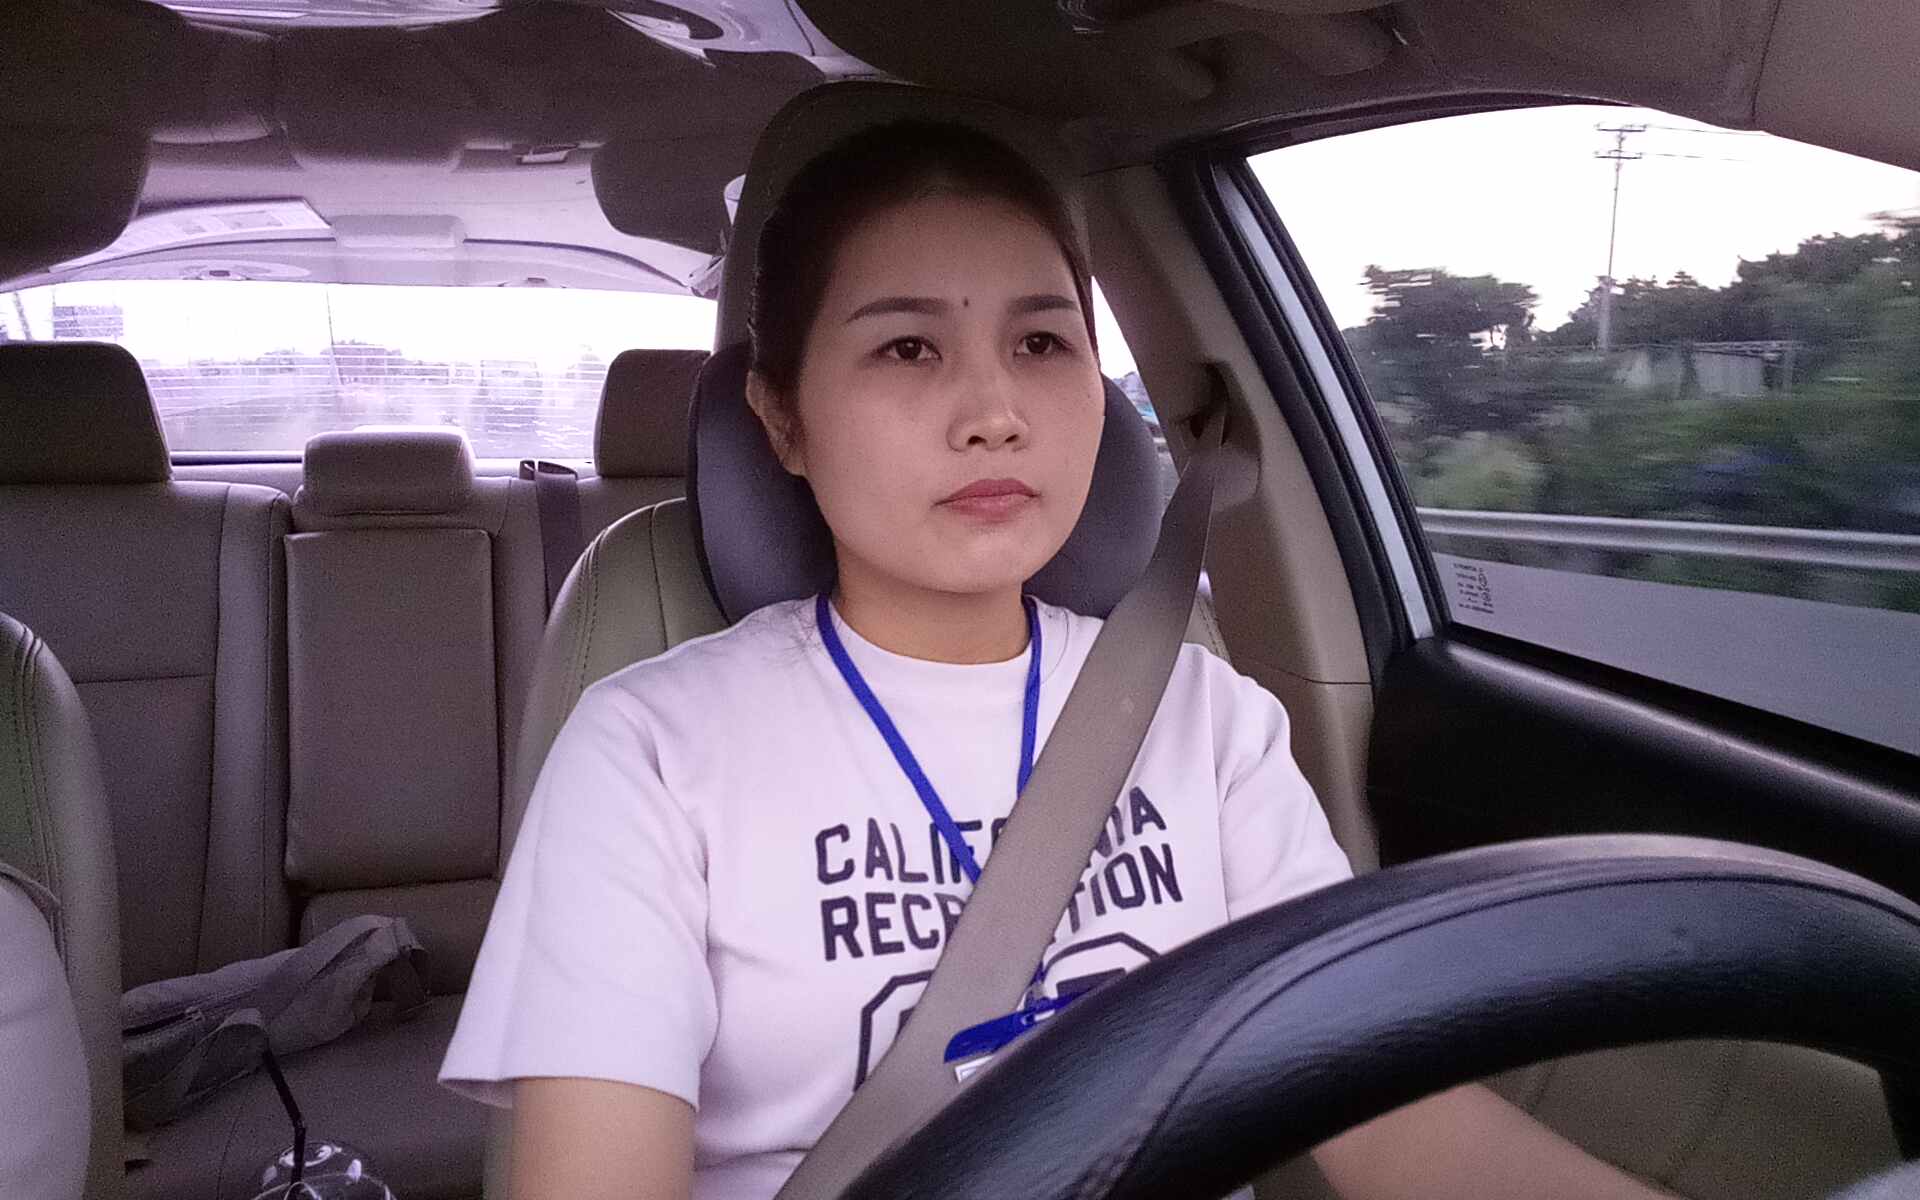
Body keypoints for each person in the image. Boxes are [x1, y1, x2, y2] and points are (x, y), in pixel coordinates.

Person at [440, 120, 1673, 1200]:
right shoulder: (651, 749)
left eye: (1041, 343)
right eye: (907, 348)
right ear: (783, 419)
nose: (996, 412)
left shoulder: (1204, 717)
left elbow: (1397, 1126)